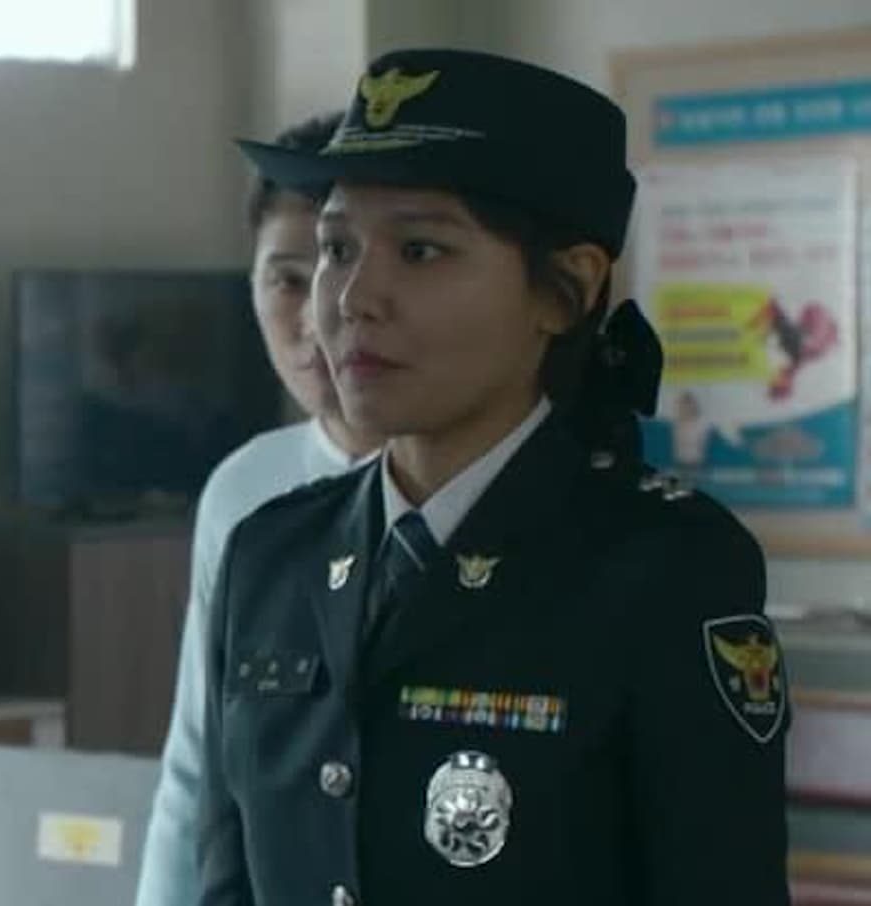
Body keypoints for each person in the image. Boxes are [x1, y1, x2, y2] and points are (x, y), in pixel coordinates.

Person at [201, 48, 790, 905]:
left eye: (421, 249)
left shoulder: (662, 568)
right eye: (336, 247)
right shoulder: (272, 553)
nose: (353, 297)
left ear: (565, 290)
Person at [134, 112, 381, 906]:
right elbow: (196, 764)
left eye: (343, 264)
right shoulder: (245, 489)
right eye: (286, 280)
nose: (318, 316)